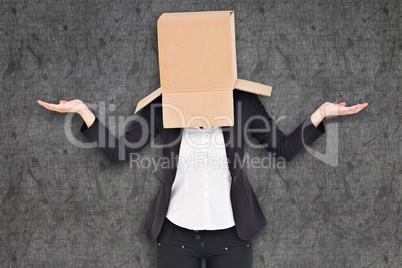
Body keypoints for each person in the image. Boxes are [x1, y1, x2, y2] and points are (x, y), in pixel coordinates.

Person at [37, 91, 368, 268]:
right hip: (175, 237)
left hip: (233, 238)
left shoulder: (242, 102)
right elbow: (120, 153)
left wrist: (320, 115)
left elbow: (281, 148)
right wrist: (85, 113)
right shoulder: (162, 105)